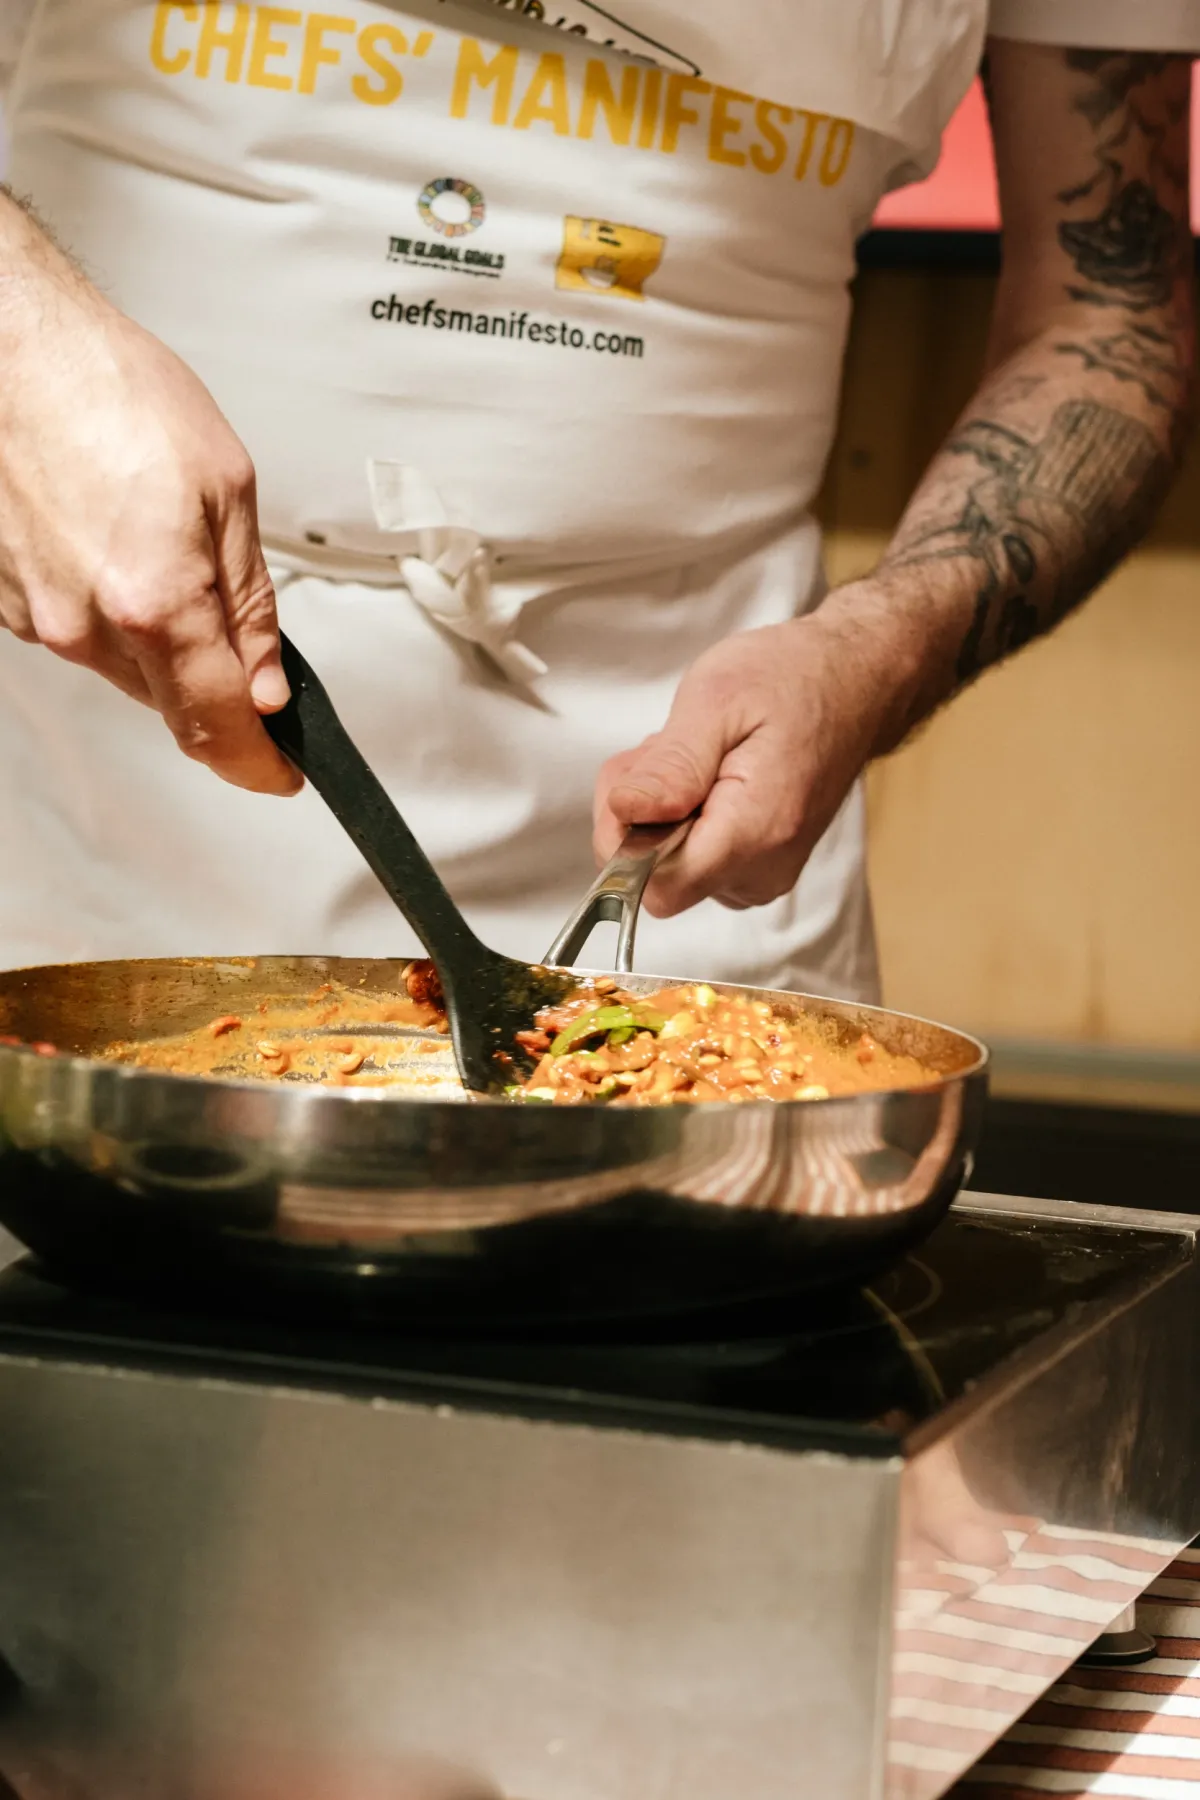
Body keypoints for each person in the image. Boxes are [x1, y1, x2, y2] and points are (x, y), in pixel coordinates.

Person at [0, 0, 1194, 995]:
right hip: (90, 775)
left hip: (696, 821)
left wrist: (875, 650)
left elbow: (1110, 306)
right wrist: (27, 350)